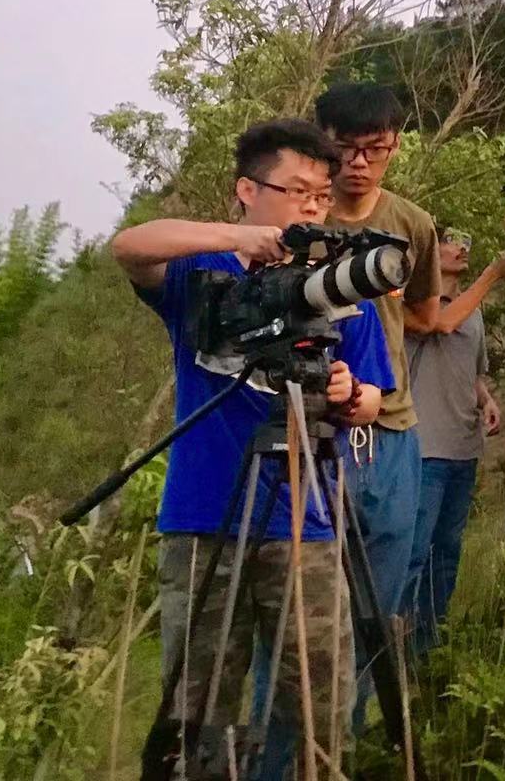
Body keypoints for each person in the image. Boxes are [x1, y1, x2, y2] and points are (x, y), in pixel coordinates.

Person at [112, 118, 394, 780]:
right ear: (247, 188)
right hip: (205, 520)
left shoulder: (339, 290)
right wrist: (239, 238)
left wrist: (355, 395)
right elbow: (130, 247)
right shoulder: (202, 275)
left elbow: (377, 397)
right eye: (295, 190)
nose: (310, 206)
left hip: (307, 521)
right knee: (198, 708)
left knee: (324, 704)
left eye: (320, 196)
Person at [310, 82, 441, 722]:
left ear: (393, 148)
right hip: (309, 435)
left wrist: (377, 313)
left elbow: (424, 312)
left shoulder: (412, 224)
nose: (359, 164)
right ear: (323, 144)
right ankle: (290, 738)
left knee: (378, 603)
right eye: (345, 149)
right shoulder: (298, 223)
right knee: (305, 605)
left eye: (375, 149)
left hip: (390, 430)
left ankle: (351, 736)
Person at [405, 226, 505, 654]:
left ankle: (429, 645)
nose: (462, 246)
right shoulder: (413, 303)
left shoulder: (471, 309)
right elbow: (439, 324)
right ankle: (394, 652)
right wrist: (493, 273)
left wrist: (486, 398)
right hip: (424, 447)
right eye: (451, 239)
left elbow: (473, 368)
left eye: (466, 240)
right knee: (414, 554)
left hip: (462, 447)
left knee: (447, 552)